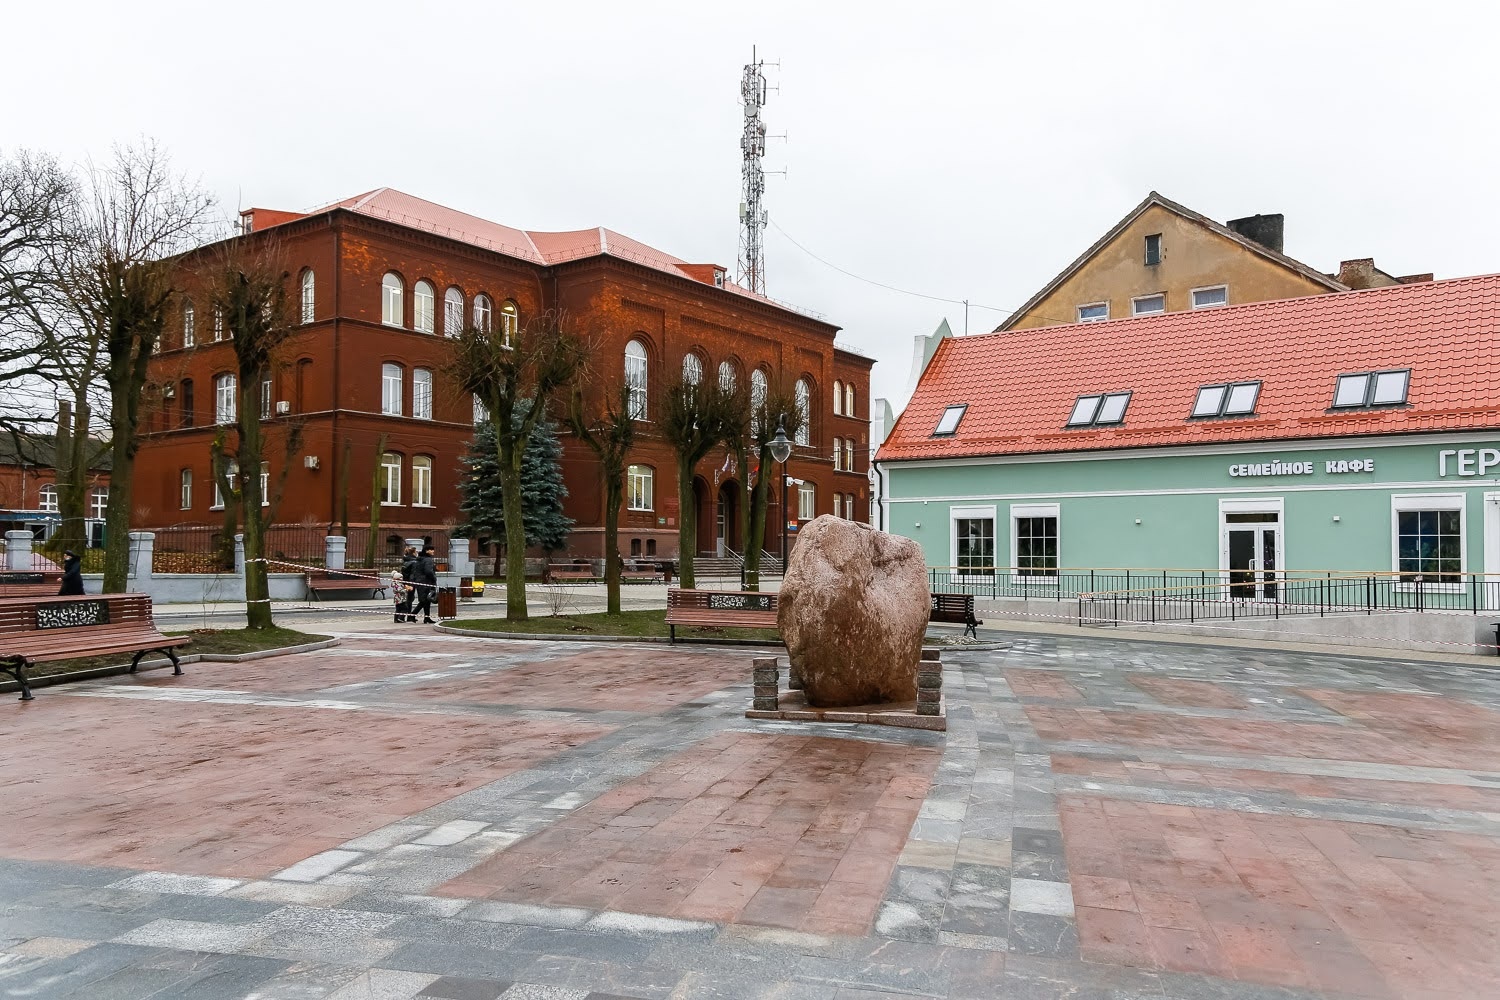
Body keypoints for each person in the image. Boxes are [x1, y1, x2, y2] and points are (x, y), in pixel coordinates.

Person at [414, 544, 438, 623]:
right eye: (431, 550)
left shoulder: (419, 559)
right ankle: (412, 614)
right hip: (427, 582)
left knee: (426, 600)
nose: (433, 551)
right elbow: (428, 571)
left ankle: (426, 617)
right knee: (425, 600)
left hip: (420, 581)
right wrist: (434, 577)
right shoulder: (428, 560)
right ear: (427, 551)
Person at [398, 546, 420, 623]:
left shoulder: (405, 560)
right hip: (411, 582)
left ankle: (403, 616)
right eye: (416, 552)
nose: (417, 553)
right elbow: (413, 574)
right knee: (410, 599)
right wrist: (412, 583)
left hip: (405, 581)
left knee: (407, 599)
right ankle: (406, 616)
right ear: (414, 552)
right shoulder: (414, 562)